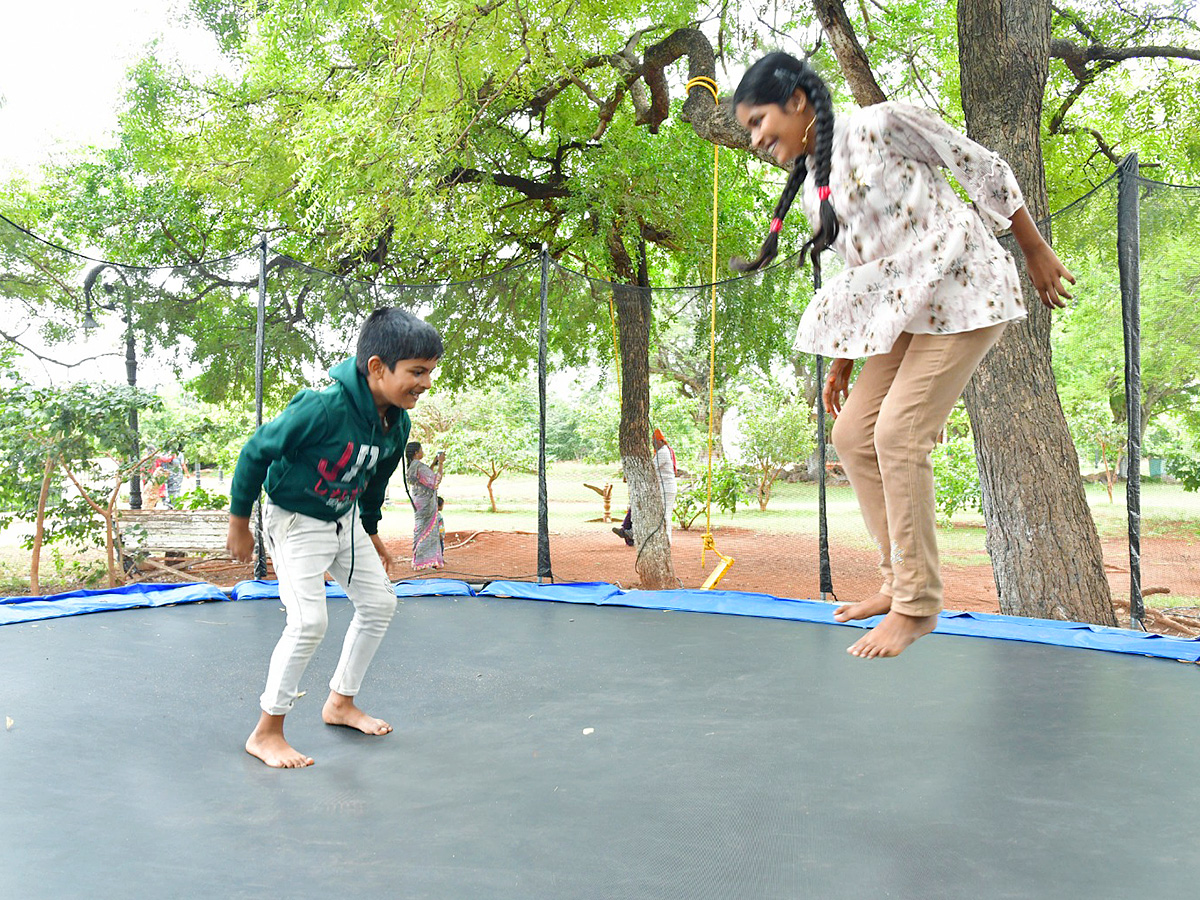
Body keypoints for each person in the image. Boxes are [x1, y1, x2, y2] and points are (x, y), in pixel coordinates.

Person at [732, 52, 1074, 659]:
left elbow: (979, 165)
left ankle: (918, 604)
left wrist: (1034, 247)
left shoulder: (881, 124)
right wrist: (844, 356)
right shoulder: (818, 188)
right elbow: (864, 271)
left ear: (797, 102)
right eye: (749, 130)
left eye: (759, 121)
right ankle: (895, 583)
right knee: (853, 436)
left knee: (897, 433)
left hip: (966, 287)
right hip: (908, 313)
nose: (756, 138)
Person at [226, 307, 443, 767]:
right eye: (417, 372)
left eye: (429, 372)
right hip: (297, 520)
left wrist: (371, 532)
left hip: (343, 521)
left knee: (380, 604)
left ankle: (340, 703)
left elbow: (375, 480)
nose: (425, 383)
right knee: (308, 623)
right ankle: (266, 732)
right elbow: (255, 451)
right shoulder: (322, 407)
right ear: (377, 368)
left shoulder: (397, 421)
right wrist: (239, 522)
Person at [404, 441, 445, 570]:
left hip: (418, 501)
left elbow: (424, 480)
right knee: (428, 529)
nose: (423, 452)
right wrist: (441, 464)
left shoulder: (412, 466)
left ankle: (422, 559)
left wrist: (433, 464)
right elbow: (434, 481)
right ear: (416, 453)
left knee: (420, 528)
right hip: (426, 503)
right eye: (421, 450)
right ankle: (423, 562)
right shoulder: (420, 467)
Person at [652, 428, 678, 545]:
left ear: (661, 441)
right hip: (666, 488)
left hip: (667, 488)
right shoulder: (662, 451)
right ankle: (665, 539)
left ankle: (667, 540)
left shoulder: (663, 452)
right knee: (664, 514)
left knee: (665, 514)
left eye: (655, 442)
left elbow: (652, 467)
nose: (654, 445)